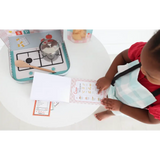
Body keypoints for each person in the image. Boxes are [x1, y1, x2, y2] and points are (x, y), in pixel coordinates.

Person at [95, 30, 160, 124]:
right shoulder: (153, 51)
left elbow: (150, 119)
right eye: (142, 61)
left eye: (148, 74)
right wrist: (108, 78)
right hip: (116, 84)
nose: (141, 70)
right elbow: (122, 56)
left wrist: (121, 107)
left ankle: (109, 113)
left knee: (114, 110)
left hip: (127, 106)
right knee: (108, 100)